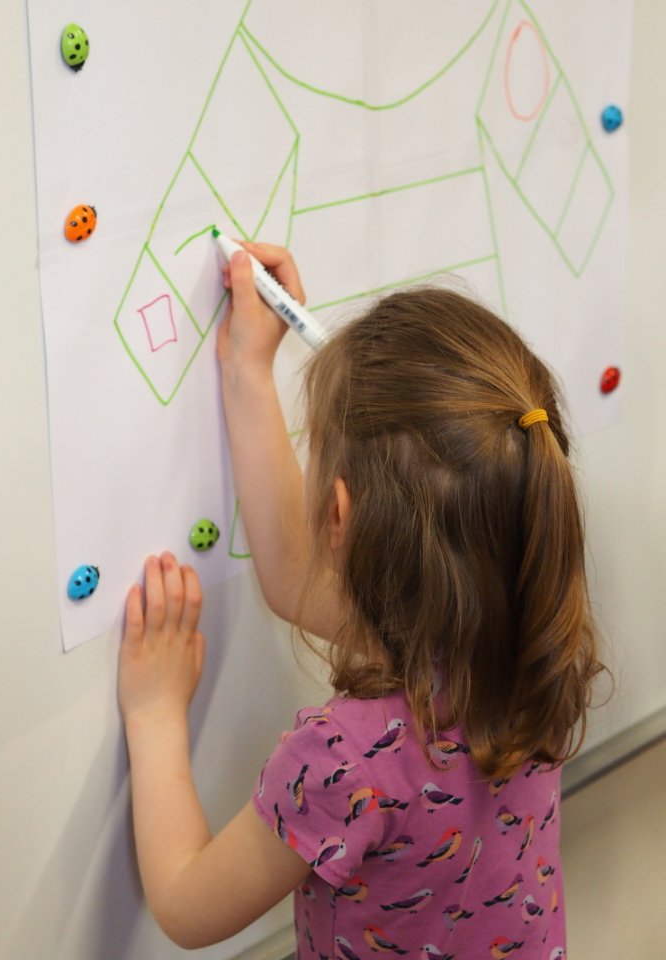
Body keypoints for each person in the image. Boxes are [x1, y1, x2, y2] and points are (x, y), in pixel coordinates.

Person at [118, 243, 606, 957]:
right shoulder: (534, 648)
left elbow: (188, 906)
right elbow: (293, 580)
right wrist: (247, 366)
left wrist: (154, 713)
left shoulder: (343, 759)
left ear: (338, 516)